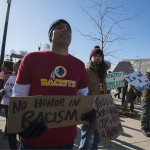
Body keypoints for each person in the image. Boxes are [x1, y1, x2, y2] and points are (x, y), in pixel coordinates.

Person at [12, 19, 90, 149]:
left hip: (66, 140)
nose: (65, 30)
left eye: (68, 29)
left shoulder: (80, 65)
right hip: (33, 139)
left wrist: (88, 111)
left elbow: (83, 95)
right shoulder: (31, 58)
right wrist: (20, 124)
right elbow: (19, 94)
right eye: (59, 27)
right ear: (50, 36)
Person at [79, 46, 109, 150]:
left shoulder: (103, 73)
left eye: (100, 56)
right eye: (95, 55)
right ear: (90, 58)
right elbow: (81, 92)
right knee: (85, 142)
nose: (98, 58)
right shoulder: (85, 71)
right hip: (89, 111)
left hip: (102, 110)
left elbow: (105, 91)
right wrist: (87, 109)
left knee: (96, 142)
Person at [0, 60, 21, 148]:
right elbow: (6, 86)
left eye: (16, 64)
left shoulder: (23, 77)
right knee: (10, 130)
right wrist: (2, 91)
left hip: (17, 106)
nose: (14, 65)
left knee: (17, 128)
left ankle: (19, 143)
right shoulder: (10, 76)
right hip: (7, 103)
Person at [0, 59, 13, 137]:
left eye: (3, 65)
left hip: (8, 99)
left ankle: (7, 132)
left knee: (8, 116)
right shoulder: (1, 74)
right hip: (0, 98)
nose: (2, 66)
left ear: (7, 67)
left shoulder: (12, 75)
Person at [141, 72, 150, 137]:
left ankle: (148, 127)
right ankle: (143, 128)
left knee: (148, 114)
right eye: (147, 76)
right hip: (145, 100)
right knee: (145, 114)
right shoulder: (144, 82)